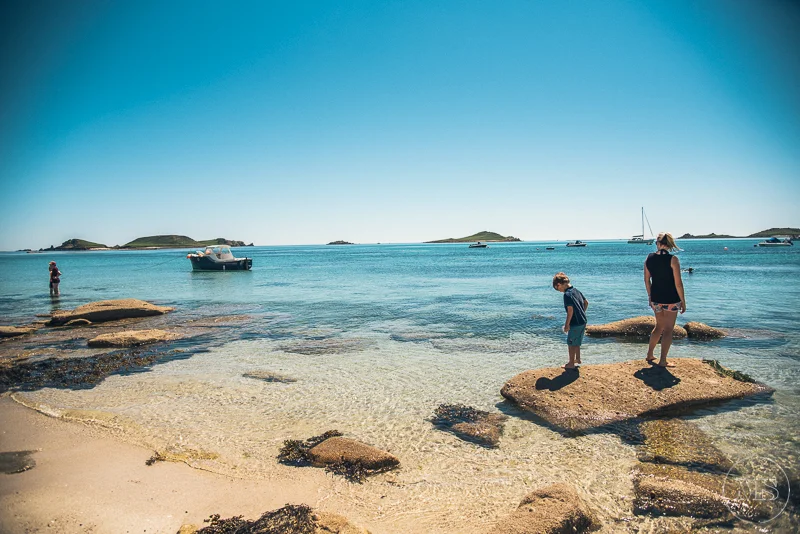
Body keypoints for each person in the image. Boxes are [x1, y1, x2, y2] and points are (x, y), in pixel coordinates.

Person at [644, 232, 686, 367]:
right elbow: (678, 283)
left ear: (658, 243)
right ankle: (663, 360)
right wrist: (683, 301)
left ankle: (649, 354)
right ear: (669, 245)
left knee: (658, 327)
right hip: (671, 299)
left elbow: (646, 280)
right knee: (668, 329)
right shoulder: (673, 259)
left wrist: (650, 296)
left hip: (656, 298)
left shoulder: (649, 258)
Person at [553, 272, 589, 369]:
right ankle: (578, 359)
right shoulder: (576, 291)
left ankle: (571, 363)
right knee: (577, 341)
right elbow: (586, 302)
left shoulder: (567, 295)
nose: (560, 291)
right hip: (583, 320)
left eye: (558, 289)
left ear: (559, 284)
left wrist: (567, 325)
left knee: (571, 342)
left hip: (575, 323)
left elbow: (570, 311)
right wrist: (581, 313)